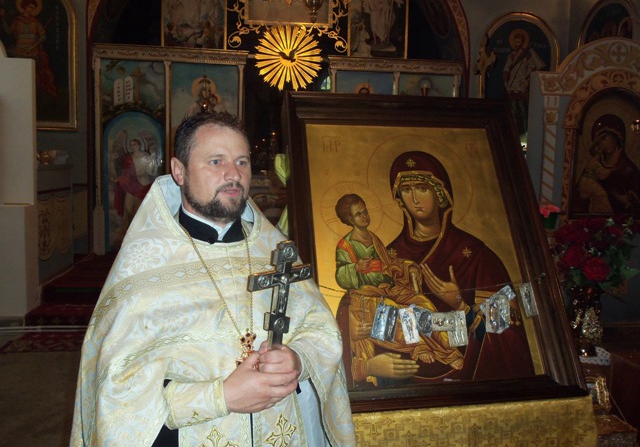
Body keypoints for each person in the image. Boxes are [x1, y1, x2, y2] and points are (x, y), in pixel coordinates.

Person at [71, 111, 355, 446]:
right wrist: (221, 397)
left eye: (242, 162)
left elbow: (321, 333)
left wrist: (297, 360)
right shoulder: (144, 271)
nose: (234, 174)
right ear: (179, 171)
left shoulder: (275, 253)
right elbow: (117, 394)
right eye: (216, 161)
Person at [374, 151, 534, 383]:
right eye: (406, 190)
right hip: (402, 376)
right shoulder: (388, 258)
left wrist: (459, 304)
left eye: (422, 188)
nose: (414, 199)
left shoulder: (476, 256)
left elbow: (508, 333)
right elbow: (374, 325)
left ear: (440, 194)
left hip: (467, 376)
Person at [333, 193, 463, 388]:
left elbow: (388, 264)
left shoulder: (373, 238)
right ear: (350, 219)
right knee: (399, 312)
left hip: (388, 289)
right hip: (367, 298)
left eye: (365, 211)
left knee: (423, 303)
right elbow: (340, 275)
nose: (365, 216)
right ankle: (418, 347)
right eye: (359, 214)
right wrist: (355, 268)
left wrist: (406, 266)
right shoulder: (346, 245)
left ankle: (449, 350)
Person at [576, 114, 640, 215]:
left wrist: (625, 201)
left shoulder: (629, 170)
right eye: (598, 141)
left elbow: (635, 206)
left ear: (617, 137)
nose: (600, 143)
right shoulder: (594, 165)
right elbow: (578, 198)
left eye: (603, 138)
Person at [112, 136, 160, 243]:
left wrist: (152, 159)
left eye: (134, 144)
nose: (132, 147)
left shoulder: (145, 156)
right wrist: (120, 178)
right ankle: (128, 231)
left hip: (143, 185)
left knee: (141, 210)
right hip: (131, 185)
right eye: (131, 145)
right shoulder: (129, 158)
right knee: (128, 207)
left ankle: (141, 233)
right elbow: (126, 172)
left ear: (139, 145)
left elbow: (151, 171)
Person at [502, 28, 545, 144]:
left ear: (522, 42)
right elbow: (506, 70)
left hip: (522, 85)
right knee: (513, 109)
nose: (517, 44)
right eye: (515, 42)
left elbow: (533, 68)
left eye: (519, 42)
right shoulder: (511, 56)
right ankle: (513, 132)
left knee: (523, 110)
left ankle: (526, 133)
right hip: (513, 85)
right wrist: (506, 83)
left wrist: (526, 80)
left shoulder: (527, 55)